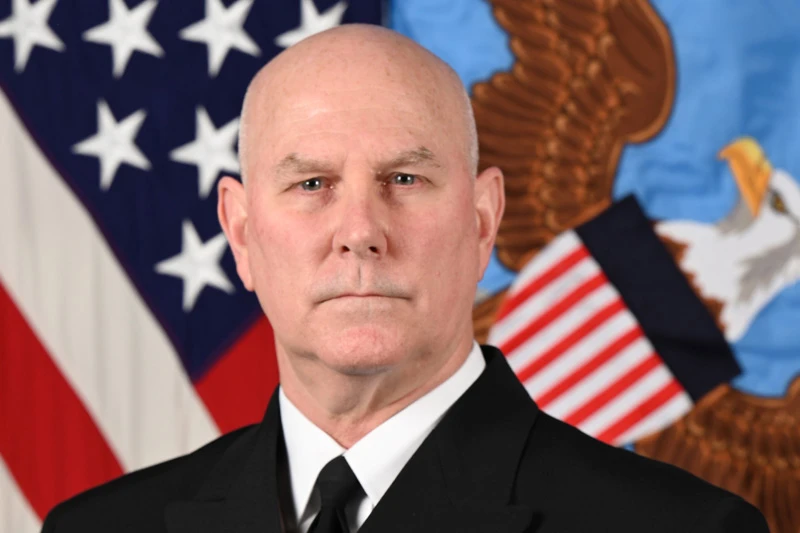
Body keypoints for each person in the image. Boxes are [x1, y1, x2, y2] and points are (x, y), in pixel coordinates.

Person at [41, 24, 768, 533]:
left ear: (483, 221)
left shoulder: (685, 528)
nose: (360, 229)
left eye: (406, 177)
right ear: (240, 232)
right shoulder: (99, 528)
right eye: (312, 183)